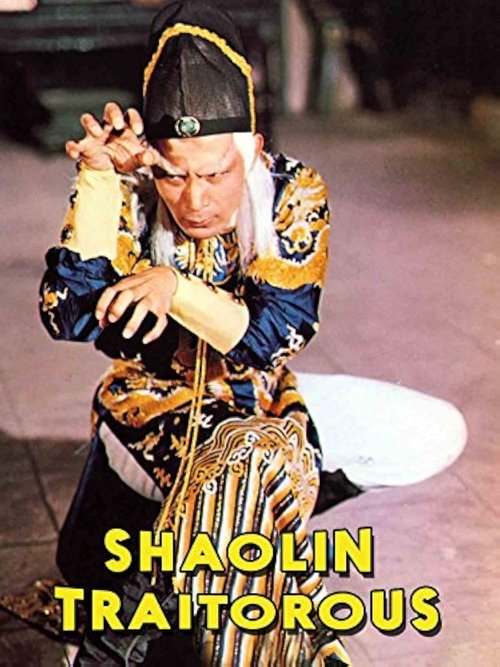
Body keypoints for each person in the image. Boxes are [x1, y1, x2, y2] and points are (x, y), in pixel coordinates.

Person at [35, 1, 359, 663]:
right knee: (251, 465)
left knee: (432, 432)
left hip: (266, 404)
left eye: (215, 174)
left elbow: (276, 334)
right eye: (174, 174)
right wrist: (99, 180)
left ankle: (125, 629)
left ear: (253, 152)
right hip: (148, 416)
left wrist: (174, 288)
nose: (196, 199)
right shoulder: (129, 188)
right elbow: (68, 315)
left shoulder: (294, 190)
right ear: (154, 161)